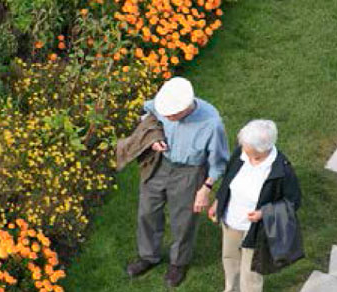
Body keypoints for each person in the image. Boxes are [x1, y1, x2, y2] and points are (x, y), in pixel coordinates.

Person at [125, 77, 230, 287]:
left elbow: (219, 161)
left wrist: (206, 188)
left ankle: (178, 263)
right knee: (147, 211)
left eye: (171, 115)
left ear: (186, 108)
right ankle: (148, 256)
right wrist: (153, 138)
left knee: (183, 220)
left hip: (190, 172)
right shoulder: (166, 103)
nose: (167, 116)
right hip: (160, 164)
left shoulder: (211, 123)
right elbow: (147, 113)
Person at [208, 120, 303, 292]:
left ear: (264, 148)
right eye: (243, 146)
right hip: (231, 222)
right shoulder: (241, 153)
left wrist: (264, 213)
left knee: (251, 273)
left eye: (248, 148)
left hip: (256, 230)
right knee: (230, 260)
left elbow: (293, 201)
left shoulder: (282, 170)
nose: (243, 150)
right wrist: (218, 201)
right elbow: (228, 181)